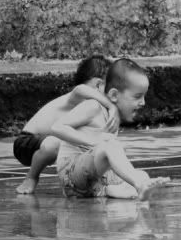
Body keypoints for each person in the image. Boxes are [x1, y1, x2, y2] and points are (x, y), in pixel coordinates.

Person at [50, 58, 169, 200]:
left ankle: (121, 189)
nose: (143, 103)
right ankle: (138, 185)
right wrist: (93, 141)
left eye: (144, 96)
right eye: (137, 96)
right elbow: (56, 127)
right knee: (111, 147)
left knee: (142, 175)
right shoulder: (93, 107)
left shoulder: (113, 116)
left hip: (95, 180)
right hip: (71, 174)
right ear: (113, 95)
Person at [14, 55, 116, 194]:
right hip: (26, 143)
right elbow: (80, 89)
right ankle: (31, 178)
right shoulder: (78, 96)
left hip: (48, 142)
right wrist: (111, 106)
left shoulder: (93, 108)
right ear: (98, 84)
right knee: (56, 143)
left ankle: (76, 181)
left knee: (85, 144)